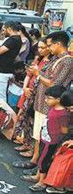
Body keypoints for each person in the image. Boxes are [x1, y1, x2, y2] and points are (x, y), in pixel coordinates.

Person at [14, 31, 73, 170]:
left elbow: (55, 84)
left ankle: (39, 167)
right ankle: (35, 162)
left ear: (59, 44)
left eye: (50, 45)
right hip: (41, 102)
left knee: (46, 139)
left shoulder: (67, 61)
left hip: (51, 106)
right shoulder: (56, 58)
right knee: (38, 136)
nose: (49, 48)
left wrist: (37, 74)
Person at [22, 86, 69, 191]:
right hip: (44, 138)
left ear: (58, 99)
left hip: (51, 141)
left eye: (49, 98)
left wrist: (58, 141)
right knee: (41, 158)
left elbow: (64, 130)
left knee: (44, 161)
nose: (46, 100)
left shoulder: (63, 114)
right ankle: (37, 176)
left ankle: (42, 182)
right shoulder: (53, 109)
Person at [0, 21, 22, 102]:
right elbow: (3, 51)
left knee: (0, 98)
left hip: (2, 72)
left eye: (4, 30)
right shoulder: (15, 39)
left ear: (9, 29)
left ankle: (1, 114)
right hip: (4, 71)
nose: (2, 32)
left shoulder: (13, 39)